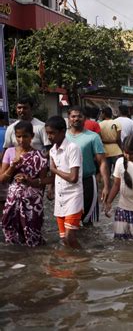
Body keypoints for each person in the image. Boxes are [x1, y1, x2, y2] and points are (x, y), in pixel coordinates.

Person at [0, 121, 48, 247]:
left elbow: (42, 182)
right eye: (18, 136)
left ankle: (33, 264)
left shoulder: (40, 155)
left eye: (25, 136)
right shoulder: (9, 152)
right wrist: (12, 167)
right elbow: (2, 179)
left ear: (32, 136)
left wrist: (29, 182)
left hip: (32, 201)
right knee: (9, 228)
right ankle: (18, 262)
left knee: (33, 234)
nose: (21, 140)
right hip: (12, 200)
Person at [66, 106, 109, 226]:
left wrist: (106, 186)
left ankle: (90, 245)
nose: (76, 119)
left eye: (80, 116)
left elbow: (102, 162)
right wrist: (51, 187)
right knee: (69, 220)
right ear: (68, 118)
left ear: (85, 118)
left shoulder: (93, 137)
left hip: (88, 181)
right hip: (67, 183)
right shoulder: (63, 137)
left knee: (88, 221)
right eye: (73, 116)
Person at [45, 116, 83, 248]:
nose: (49, 137)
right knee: (64, 240)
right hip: (60, 199)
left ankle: (84, 259)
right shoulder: (52, 151)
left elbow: (73, 178)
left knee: (69, 237)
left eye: (52, 133)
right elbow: (53, 173)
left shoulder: (73, 148)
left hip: (73, 197)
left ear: (62, 132)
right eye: (47, 133)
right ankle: (71, 265)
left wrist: (54, 170)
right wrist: (50, 188)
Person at [98, 107, 122, 174]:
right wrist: (122, 149)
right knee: (118, 173)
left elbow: (99, 139)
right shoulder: (117, 123)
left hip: (105, 151)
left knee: (106, 172)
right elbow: (118, 139)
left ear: (104, 114)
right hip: (116, 150)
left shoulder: (99, 124)